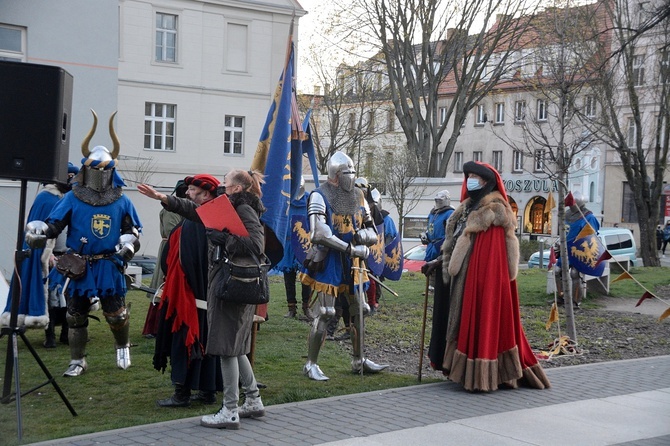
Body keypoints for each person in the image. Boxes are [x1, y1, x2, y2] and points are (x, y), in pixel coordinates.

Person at [24, 110, 142, 377]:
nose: (100, 174)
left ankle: (122, 348)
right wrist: (42, 230)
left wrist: (127, 249)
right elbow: (55, 224)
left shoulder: (121, 199)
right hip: (78, 263)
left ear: (112, 170)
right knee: (75, 315)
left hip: (108, 264)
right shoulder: (73, 198)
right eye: (95, 168)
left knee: (117, 314)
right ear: (87, 169)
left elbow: (132, 230)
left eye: (105, 169)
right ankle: (78, 360)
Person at [422, 161, 550, 392]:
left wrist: (478, 281)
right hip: (461, 281)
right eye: (468, 175)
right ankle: (458, 370)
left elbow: (490, 258)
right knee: (456, 324)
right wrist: (439, 261)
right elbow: (459, 245)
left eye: (475, 176)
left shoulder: (494, 212)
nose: (470, 180)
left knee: (483, 321)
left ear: (487, 181)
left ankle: (482, 375)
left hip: (480, 283)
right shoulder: (466, 209)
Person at [300, 151, 387, 381]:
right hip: (329, 259)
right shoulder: (320, 195)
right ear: (336, 174)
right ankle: (311, 364)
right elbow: (319, 233)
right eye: (348, 172)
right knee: (327, 312)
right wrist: (349, 248)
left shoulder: (358, 195)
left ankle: (359, 360)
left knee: (361, 309)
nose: (352, 176)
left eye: (353, 171)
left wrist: (363, 240)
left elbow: (370, 227)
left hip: (354, 260)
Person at [138, 175, 222, 408]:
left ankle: (182, 393)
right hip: (201, 295)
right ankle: (207, 391)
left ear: (206, 195)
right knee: (206, 341)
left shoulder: (205, 220)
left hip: (191, 296)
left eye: (193, 190)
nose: (187, 193)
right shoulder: (203, 217)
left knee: (187, 341)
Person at [201, 169, 267, 429]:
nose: (221, 187)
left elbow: (256, 245)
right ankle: (253, 399)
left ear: (237, 188)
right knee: (236, 346)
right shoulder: (236, 205)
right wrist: (166, 199)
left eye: (225, 184)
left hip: (234, 284)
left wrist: (224, 239)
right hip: (235, 283)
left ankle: (229, 410)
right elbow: (195, 209)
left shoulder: (243, 209)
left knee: (225, 346)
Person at [1, 162, 79, 342]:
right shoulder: (47, 198)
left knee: (69, 297)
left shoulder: (63, 198)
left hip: (66, 254)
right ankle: (50, 336)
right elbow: (38, 231)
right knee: (52, 298)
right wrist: (47, 254)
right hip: (50, 256)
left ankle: (66, 335)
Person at [141, 180, 187, 339]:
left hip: (179, 248)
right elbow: (172, 230)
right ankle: (154, 328)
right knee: (163, 285)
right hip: (170, 249)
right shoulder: (171, 211)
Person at [554, 191, 599, 308]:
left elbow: (591, 236)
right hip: (565, 249)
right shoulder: (567, 215)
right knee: (557, 271)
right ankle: (561, 298)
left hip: (578, 250)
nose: (570, 207)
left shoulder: (588, 217)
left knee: (575, 273)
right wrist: (559, 242)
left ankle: (575, 301)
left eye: (572, 204)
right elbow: (565, 232)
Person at [276, 176, 313, 320]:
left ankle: (306, 307)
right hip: (288, 242)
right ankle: (291, 308)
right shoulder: (285, 200)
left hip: (305, 243)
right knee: (289, 276)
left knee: (306, 276)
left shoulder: (310, 199)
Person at [421, 190, 455, 263]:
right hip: (430, 248)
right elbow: (430, 228)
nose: (438, 202)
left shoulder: (450, 213)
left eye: (440, 200)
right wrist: (424, 235)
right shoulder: (432, 214)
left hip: (441, 249)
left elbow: (452, 234)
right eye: (437, 200)